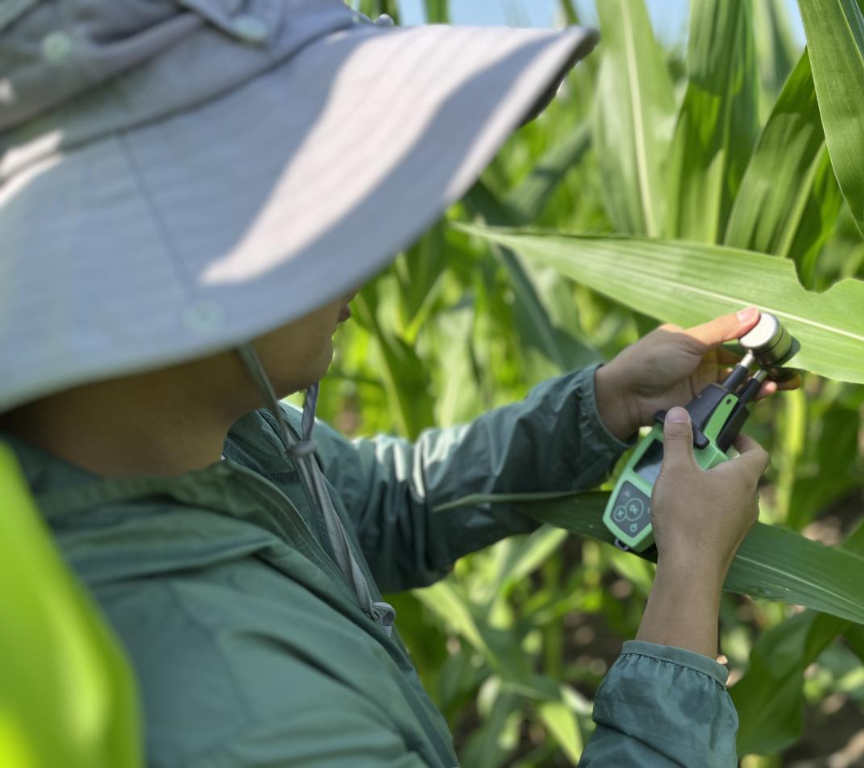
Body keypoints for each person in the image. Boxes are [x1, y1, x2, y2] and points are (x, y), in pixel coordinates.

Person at [0, 2, 792, 765]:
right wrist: (688, 578)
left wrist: (601, 406)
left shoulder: (197, 438)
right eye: (320, 198)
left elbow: (382, 505)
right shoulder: (245, 717)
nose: (369, 255)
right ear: (187, 251)